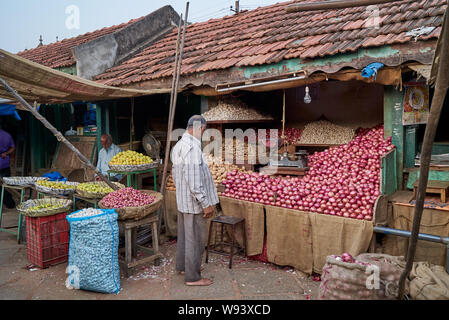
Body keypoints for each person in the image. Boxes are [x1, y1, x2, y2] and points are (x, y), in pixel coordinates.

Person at [171, 115, 218, 286]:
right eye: (203, 130)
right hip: (193, 203)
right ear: (199, 128)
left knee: (185, 237)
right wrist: (205, 203)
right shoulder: (191, 148)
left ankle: (184, 266)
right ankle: (193, 277)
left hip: (184, 201)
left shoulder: (178, 146)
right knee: (196, 239)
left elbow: (176, 176)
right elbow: (194, 183)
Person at [0, 119, 16, 208]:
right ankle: (10, 203)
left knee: (2, 186)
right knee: (5, 184)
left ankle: (8, 203)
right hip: (5, 162)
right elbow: (13, 147)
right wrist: (6, 153)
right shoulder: (7, 135)